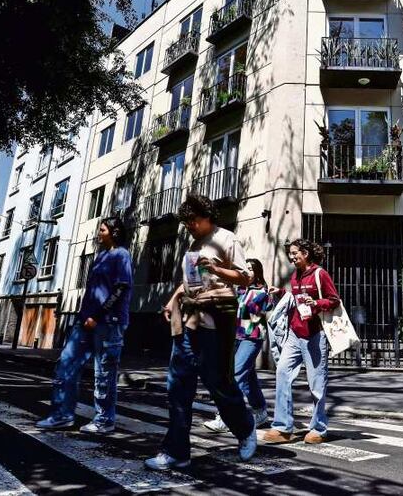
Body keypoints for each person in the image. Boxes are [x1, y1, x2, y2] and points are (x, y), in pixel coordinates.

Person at [145, 194, 257, 471]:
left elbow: (245, 277)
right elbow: (189, 282)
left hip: (215, 320)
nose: (189, 226)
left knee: (218, 382)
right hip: (188, 319)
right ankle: (176, 452)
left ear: (207, 216)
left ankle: (245, 429)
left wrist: (216, 268)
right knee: (178, 385)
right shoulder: (193, 244)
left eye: (192, 220)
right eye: (186, 222)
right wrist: (172, 301)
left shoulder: (226, 238)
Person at [36, 216, 132, 434]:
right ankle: (62, 415)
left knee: (104, 373)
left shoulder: (121, 254)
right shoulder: (100, 256)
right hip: (85, 320)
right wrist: (84, 315)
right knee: (66, 363)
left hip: (108, 323)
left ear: (114, 233)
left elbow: (120, 288)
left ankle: (104, 420)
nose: (99, 233)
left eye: (103, 230)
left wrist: (98, 315)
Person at [262, 238, 340, 445]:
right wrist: (281, 293)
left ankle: (318, 428)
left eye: (295, 252)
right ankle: (282, 427)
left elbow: (334, 300)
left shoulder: (319, 274)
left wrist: (316, 303)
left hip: (315, 335)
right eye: (290, 253)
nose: (292, 256)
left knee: (317, 384)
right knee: (282, 373)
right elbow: (295, 298)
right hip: (294, 335)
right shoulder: (295, 276)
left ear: (306, 253)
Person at [203, 258, 273, 433]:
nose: (247, 272)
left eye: (251, 269)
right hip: (236, 337)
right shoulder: (238, 290)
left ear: (257, 272)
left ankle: (225, 418)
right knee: (249, 378)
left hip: (253, 337)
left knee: (235, 375)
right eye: (245, 269)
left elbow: (270, 312)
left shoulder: (263, 292)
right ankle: (260, 412)